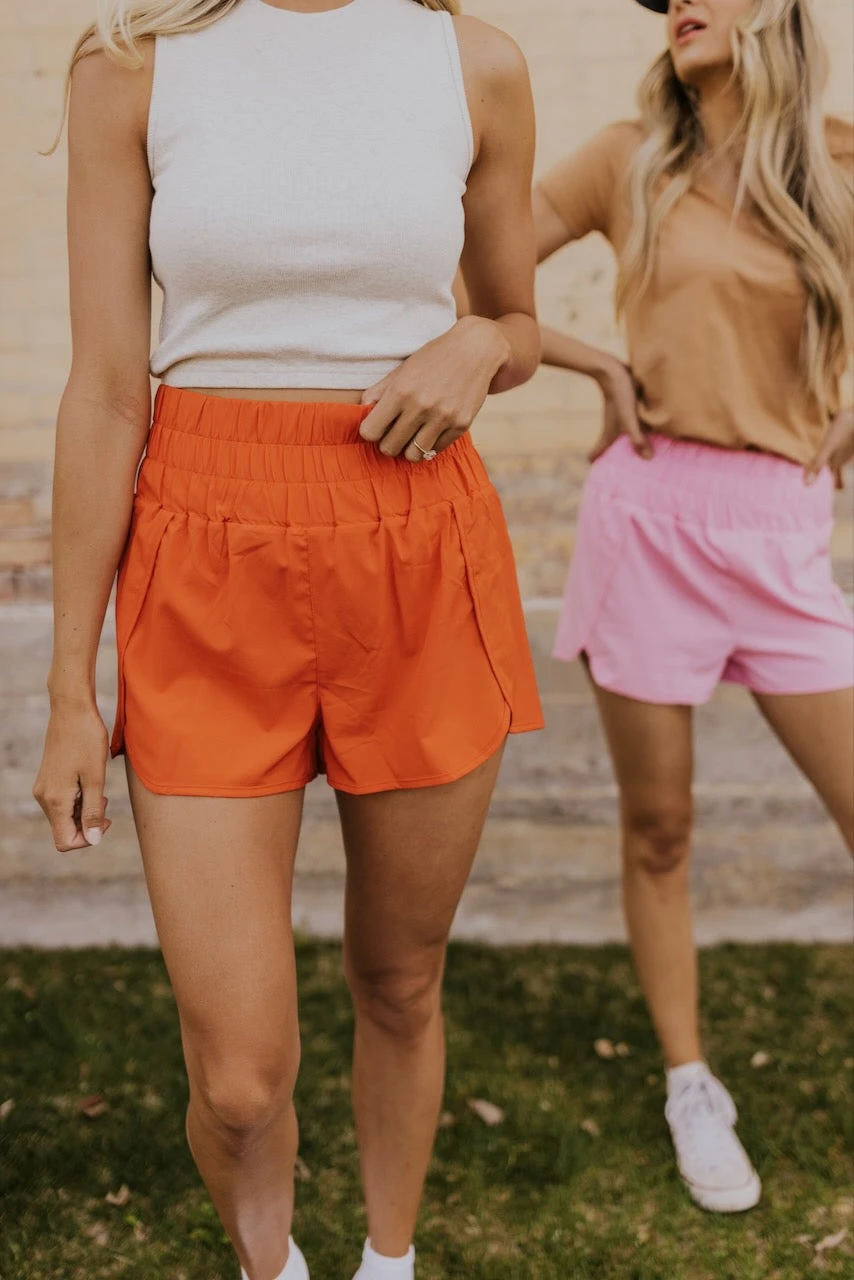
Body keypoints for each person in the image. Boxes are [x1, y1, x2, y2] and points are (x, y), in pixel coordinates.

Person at [32, 3, 543, 1277]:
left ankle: (387, 1259)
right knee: (241, 1074)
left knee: (400, 976)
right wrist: (67, 686)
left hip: (413, 537)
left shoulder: (473, 62)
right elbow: (105, 389)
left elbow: (519, 324)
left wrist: (481, 339)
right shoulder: (131, 65)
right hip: (201, 551)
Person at [533, 0, 854, 1215]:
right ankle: (688, 1081)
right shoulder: (625, 158)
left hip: (780, 529)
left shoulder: (832, 159)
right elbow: (469, 265)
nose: (677, 1)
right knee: (659, 826)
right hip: (648, 518)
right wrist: (590, 361)